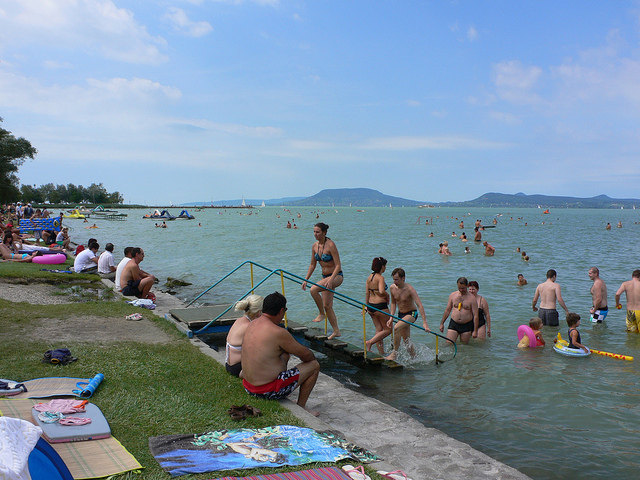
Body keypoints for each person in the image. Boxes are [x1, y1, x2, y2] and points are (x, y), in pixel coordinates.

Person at [241, 292, 320, 415]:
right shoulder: (278, 332)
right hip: (265, 390)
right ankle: (302, 406)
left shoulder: (252, 323)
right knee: (314, 365)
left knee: (284, 354)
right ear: (281, 311)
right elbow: (307, 356)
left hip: (248, 386)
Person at [301, 222, 343, 339]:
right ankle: (336, 331)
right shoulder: (314, 246)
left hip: (336, 276)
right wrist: (306, 280)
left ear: (324, 233)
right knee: (327, 305)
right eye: (314, 231)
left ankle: (321, 314)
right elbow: (312, 265)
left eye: (318, 232)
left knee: (313, 290)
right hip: (325, 278)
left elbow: (338, 265)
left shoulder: (331, 245)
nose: (315, 234)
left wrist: (332, 279)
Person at [385, 268, 428, 360]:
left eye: (397, 279)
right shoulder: (392, 288)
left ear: (403, 278)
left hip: (411, 314)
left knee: (396, 328)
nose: (394, 281)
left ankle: (394, 353)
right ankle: (414, 358)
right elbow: (393, 303)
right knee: (406, 340)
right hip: (401, 314)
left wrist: (425, 323)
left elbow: (419, 305)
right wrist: (391, 317)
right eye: (393, 279)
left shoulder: (409, 289)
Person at [225, 294, 264, 377]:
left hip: (229, 365)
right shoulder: (249, 327)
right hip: (238, 369)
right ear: (259, 313)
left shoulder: (239, 321)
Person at [364, 257, 392, 354]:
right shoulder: (380, 278)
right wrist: (387, 295)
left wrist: (366, 306)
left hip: (371, 306)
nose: (385, 268)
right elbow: (381, 291)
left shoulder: (369, 277)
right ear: (382, 266)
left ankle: (382, 353)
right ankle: (370, 342)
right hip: (380, 306)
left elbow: (367, 293)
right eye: (385, 266)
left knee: (379, 329)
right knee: (389, 330)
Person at [439, 277, 478, 344]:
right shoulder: (452, 295)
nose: (461, 290)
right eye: (459, 288)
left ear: (467, 286)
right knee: (448, 343)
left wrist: (475, 331)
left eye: (463, 288)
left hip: (466, 325)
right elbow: (447, 310)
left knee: (464, 346)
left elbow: (476, 316)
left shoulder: (472, 298)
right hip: (454, 323)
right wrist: (442, 323)